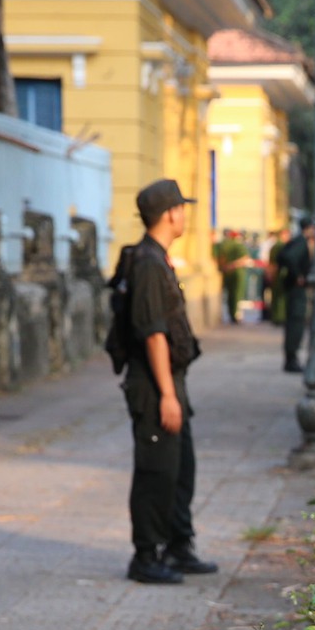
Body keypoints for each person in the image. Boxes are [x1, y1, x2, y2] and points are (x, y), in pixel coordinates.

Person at [116, 179, 218, 585]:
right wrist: (167, 395)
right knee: (156, 470)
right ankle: (146, 555)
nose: (185, 216)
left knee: (180, 468)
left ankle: (178, 546)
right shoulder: (147, 263)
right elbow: (154, 334)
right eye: (182, 209)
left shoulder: (156, 258)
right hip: (154, 385)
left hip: (170, 381)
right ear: (172, 213)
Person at [278, 217, 314, 373]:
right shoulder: (301, 242)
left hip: (294, 288)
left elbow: (283, 256)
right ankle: (291, 359)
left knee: (295, 322)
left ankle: (291, 358)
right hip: (296, 290)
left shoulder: (297, 241)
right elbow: (289, 257)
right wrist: (298, 275)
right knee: (296, 323)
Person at [213, 228, 249, 324]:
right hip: (237, 273)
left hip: (225, 273)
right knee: (237, 295)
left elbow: (216, 258)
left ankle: (230, 314)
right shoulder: (238, 245)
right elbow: (244, 259)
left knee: (228, 295)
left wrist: (225, 266)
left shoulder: (220, 245)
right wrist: (232, 265)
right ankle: (235, 315)